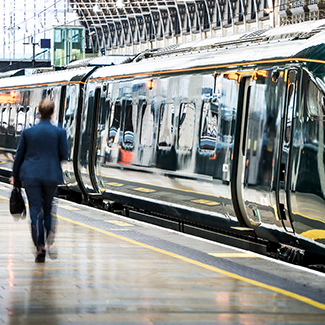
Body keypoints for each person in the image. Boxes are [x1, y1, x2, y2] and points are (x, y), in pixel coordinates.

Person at [10, 98, 69, 263]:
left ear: (38, 112)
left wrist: (15, 175)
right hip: (51, 175)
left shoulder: (28, 132)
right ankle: (49, 240)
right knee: (48, 209)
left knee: (35, 210)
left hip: (31, 176)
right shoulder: (60, 132)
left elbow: (19, 156)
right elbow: (64, 155)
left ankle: (39, 247)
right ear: (52, 113)